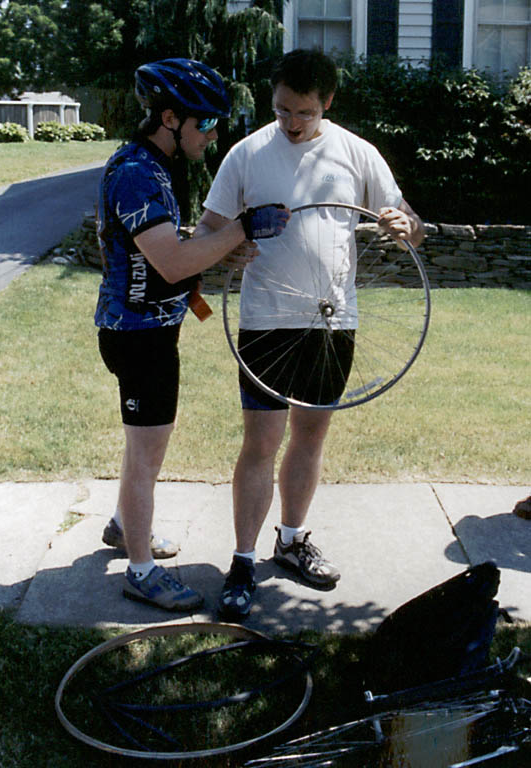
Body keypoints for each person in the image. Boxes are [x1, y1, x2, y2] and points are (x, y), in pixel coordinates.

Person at [195, 48, 425, 620]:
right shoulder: (247, 154)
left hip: (332, 321)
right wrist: (231, 248)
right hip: (266, 321)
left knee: (311, 435)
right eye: (281, 110)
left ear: (328, 102)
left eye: (303, 112)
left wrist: (404, 226)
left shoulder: (356, 152)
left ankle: (292, 540)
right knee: (261, 442)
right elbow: (208, 230)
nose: (292, 123)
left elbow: (410, 226)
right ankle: (244, 561)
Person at [95, 58, 289, 612]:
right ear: (168, 117)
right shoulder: (136, 172)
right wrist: (242, 228)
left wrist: (225, 245)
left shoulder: (154, 165)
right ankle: (140, 569)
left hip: (147, 329)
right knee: (146, 454)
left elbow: (164, 254)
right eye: (204, 124)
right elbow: (173, 262)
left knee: (142, 444)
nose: (213, 134)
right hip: (138, 336)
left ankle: (121, 525)